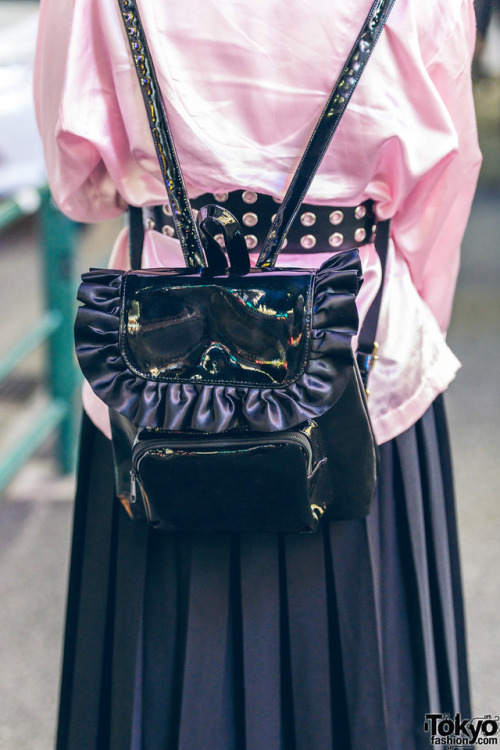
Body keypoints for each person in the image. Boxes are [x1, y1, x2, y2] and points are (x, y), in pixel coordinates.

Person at [34, 0, 481, 748]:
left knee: (155, 683)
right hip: (362, 353)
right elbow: (436, 192)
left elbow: (79, 181)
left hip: (157, 367)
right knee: (390, 690)